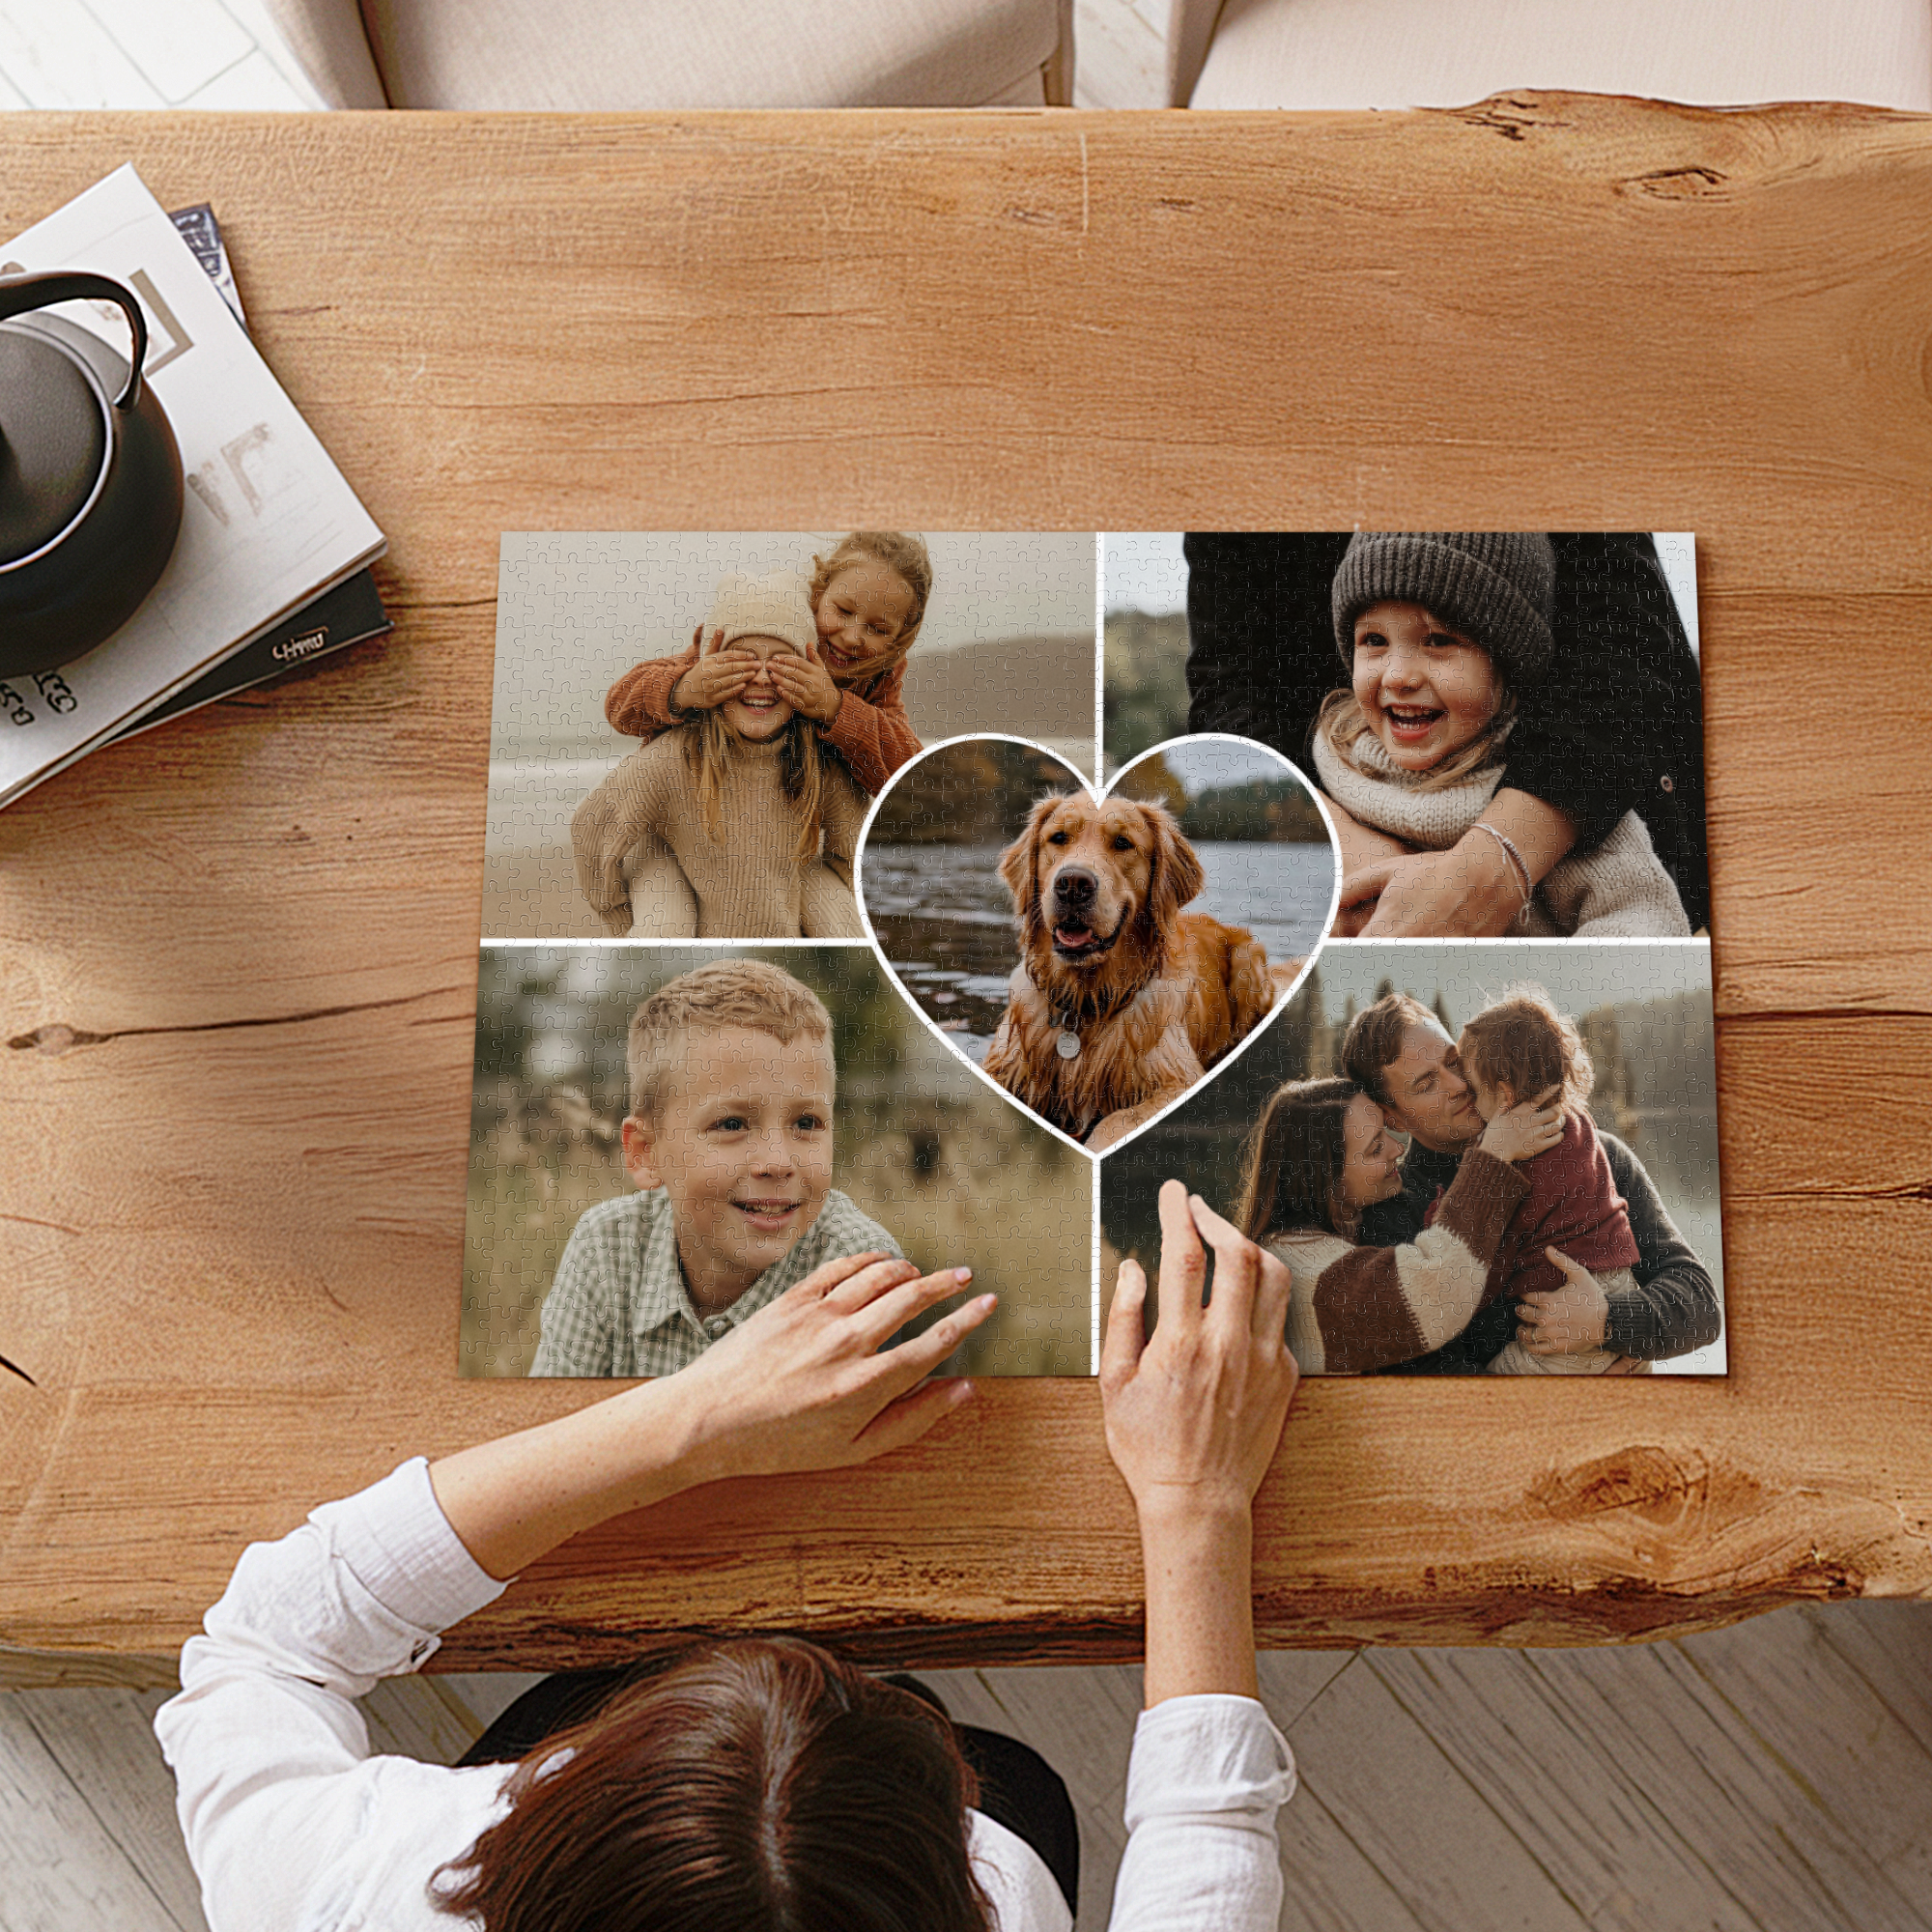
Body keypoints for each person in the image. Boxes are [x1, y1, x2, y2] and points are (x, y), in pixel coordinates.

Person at [155, 1181, 1302, 1932]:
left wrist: (686, 1419)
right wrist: (1196, 1499)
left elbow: (259, 1652)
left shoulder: (332, 1889)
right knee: (1028, 1795)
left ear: (536, 1840)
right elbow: (1204, 1851)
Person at [1182, 532, 1709, 935]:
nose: (1398, 675)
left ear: (1505, 665)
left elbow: (1639, 923)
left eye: (1437, 641)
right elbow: (1227, 684)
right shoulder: (1335, 766)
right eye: (1373, 641)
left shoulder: (1583, 813)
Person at [529, 959, 904, 1378]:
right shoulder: (606, 1249)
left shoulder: (857, 1267)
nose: (777, 1162)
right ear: (646, 1153)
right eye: (732, 1125)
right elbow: (551, 1423)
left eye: (805, 1123)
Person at [1342, 992, 1721, 1372]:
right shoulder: (1390, 1218)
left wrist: (1607, 1321)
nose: (1458, 1085)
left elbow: (1700, 1305)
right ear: (1392, 1117)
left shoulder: (1594, 1154)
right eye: (1427, 1084)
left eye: (1454, 1062)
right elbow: (1421, 1381)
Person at [571, 570, 868, 938]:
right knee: (664, 926)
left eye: (780, 663)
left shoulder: (821, 762)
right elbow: (590, 828)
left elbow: (855, 851)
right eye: (741, 662)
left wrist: (817, 904)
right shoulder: (671, 760)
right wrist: (621, 921)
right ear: (710, 666)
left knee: (838, 918)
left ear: (810, 672)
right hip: (676, 886)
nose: (760, 678)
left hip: (779, 916)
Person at [1236, 1073, 1563, 1374]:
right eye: (1376, 1147)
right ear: (1327, 1181)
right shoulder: (1304, 1276)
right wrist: (1494, 1154)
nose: (1397, 1148)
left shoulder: (1302, 1246)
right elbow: (1433, 1290)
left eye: (1387, 1133)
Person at [605, 530, 931, 797]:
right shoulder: (764, 629)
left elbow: (909, 776)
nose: (852, 637)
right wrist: (683, 689)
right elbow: (620, 708)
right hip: (705, 801)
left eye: (877, 629)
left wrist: (836, 709)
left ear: (899, 639)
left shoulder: (877, 676)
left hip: (793, 818)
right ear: (818, 593)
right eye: (843, 611)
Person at [1445, 986, 1639, 1376]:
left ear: (1503, 1096)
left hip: (1566, 1310)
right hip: (1623, 1284)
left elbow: (1489, 1257)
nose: (1462, 1091)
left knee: (1500, 1379)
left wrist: (1444, 1212)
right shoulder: (1579, 1123)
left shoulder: (1510, 1157)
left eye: (1469, 1083)